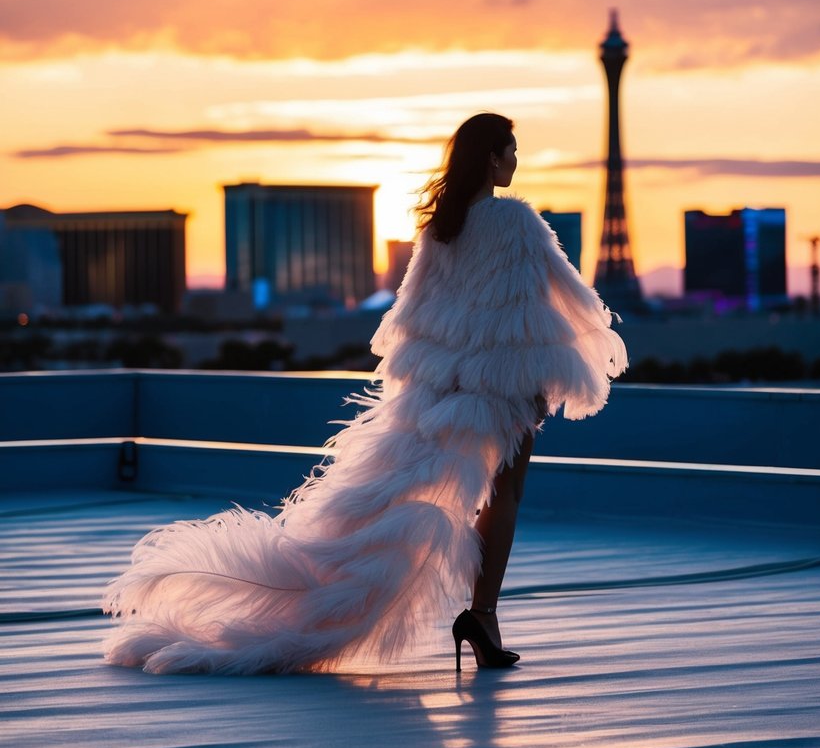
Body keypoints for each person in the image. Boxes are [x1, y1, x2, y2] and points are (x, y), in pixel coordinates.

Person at [103, 113, 627, 674]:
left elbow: (412, 314)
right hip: (503, 383)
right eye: (512, 151)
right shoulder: (515, 221)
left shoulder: (440, 228)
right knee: (506, 496)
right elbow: (545, 301)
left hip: (446, 386)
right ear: (492, 158)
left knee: (460, 498)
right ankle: (483, 615)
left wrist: (442, 372)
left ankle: (480, 617)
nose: (516, 161)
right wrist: (553, 365)